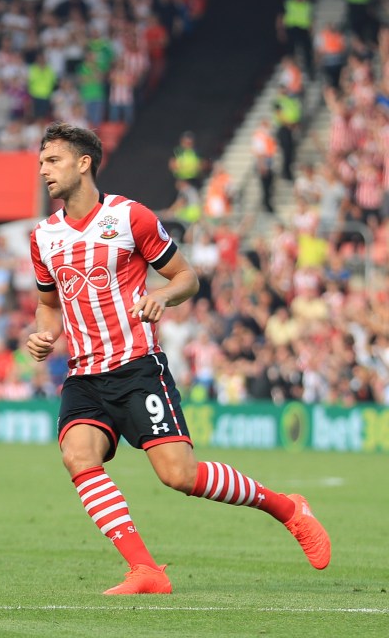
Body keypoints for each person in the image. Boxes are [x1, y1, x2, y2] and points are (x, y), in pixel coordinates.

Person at [26, 123, 330, 595]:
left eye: (53, 160)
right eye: (42, 161)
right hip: (84, 375)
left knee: (179, 476)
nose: (43, 169)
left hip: (136, 368)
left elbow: (186, 276)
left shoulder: (131, 218)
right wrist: (44, 337)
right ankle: (146, 571)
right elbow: (49, 305)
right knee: (77, 456)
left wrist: (162, 296)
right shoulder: (44, 237)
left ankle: (288, 508)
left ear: (83, 163)